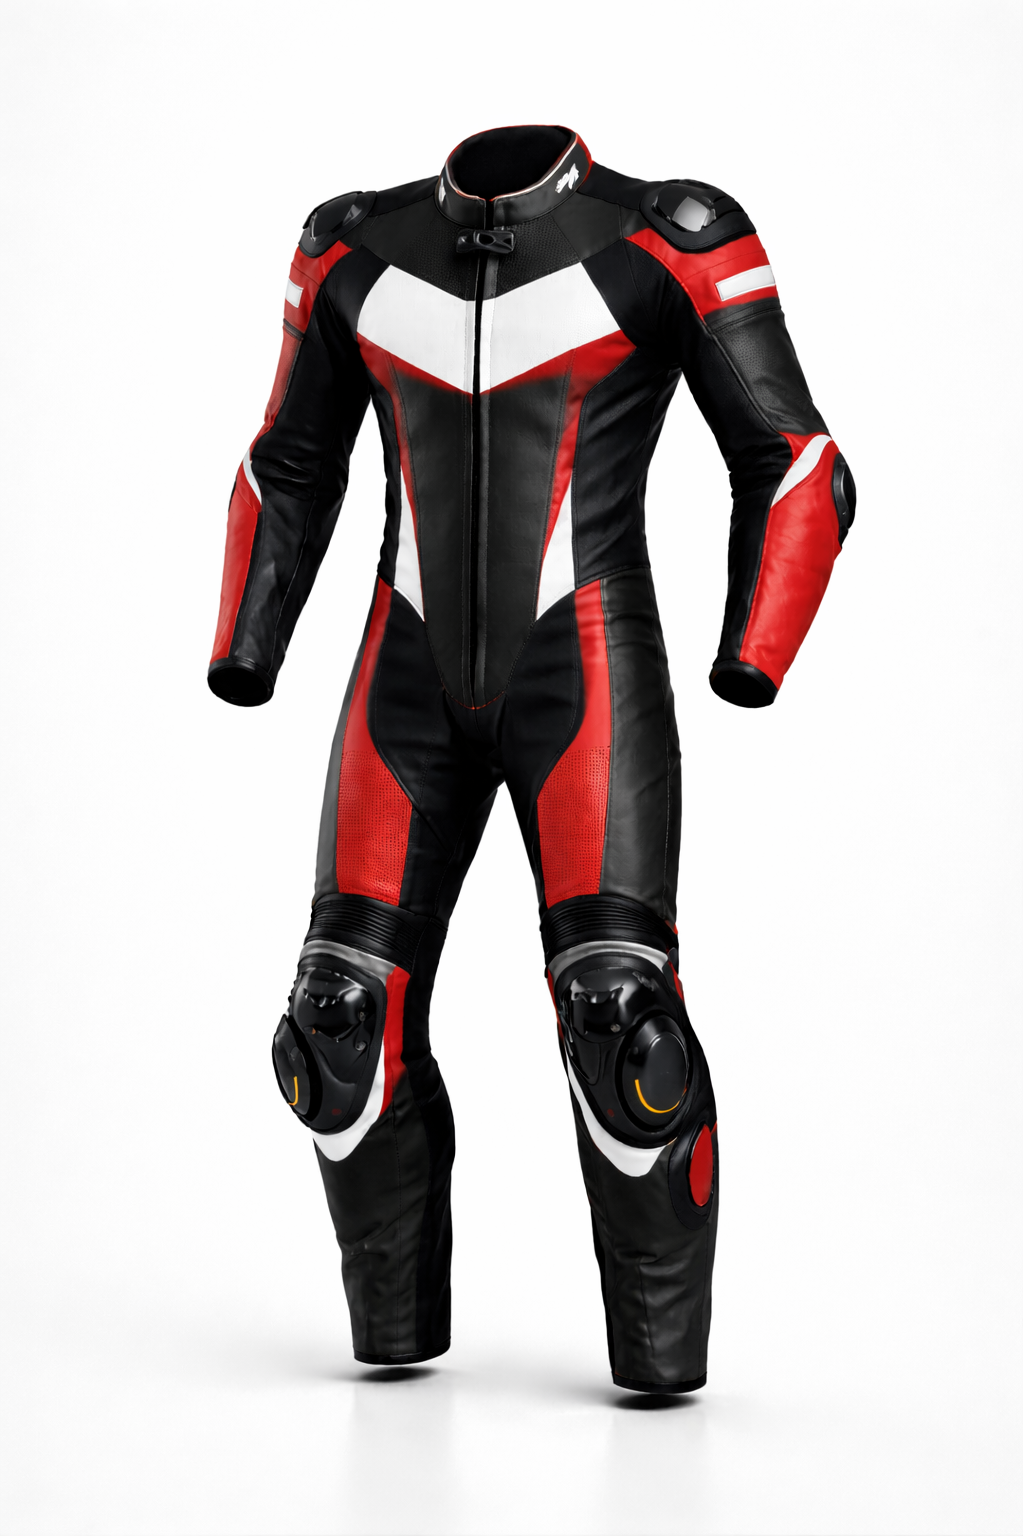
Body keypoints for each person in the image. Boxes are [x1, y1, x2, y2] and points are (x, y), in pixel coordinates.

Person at [208, 124, 854, 1393]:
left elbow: (797, 462)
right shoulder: (349, 247)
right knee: (337, 1021)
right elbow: (289, 461)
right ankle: (392, 1369)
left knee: (623, 1022)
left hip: (586, 673)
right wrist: (246, 642)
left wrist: (754, 651)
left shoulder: (666, 236)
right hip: (401, 684)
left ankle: (659, 1368)